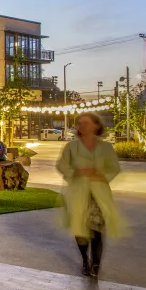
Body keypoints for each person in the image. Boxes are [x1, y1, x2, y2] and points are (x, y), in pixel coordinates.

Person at [56, 112, 125, 277]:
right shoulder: (71, 147)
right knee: (80, 230)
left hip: (98, 194)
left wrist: (100, 175)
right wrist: (77, 172)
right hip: (78, 193)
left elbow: (114, 168)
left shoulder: (106, 148)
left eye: (86, 123)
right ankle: (85, 261)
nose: (82, 126)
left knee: (96, 229)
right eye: (80, 123)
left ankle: (95, 264)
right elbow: (62, 165)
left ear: (96, 125)